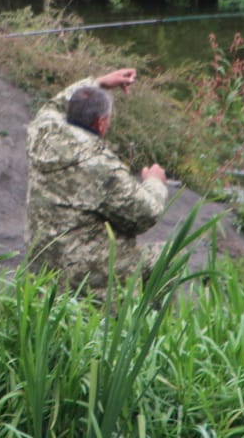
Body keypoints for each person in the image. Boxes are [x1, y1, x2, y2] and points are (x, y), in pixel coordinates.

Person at [25, 67, 169, 293]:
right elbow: (145, 215)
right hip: (85, 274)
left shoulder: (42, 133)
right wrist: (154, 182)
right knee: (170, 256)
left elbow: (53, 105)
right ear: (101, 123)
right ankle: (149, 324)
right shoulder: (102, 166)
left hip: (43, 265)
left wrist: (98, 82)